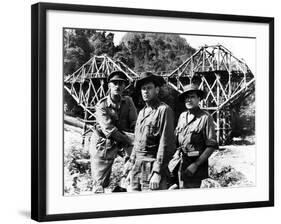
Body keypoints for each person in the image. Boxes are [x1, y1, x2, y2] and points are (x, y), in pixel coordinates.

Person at [126, 72, 176, 191]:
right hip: (137, 166)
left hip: (152, 165)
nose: (145, 91)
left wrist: (157, 172)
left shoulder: (164, 110)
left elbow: (166, 143)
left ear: (157, 90)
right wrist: (130, 164)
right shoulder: (142, 112)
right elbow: (137, 142)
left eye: (149, 88)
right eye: (143, 88)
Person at [90, 71, 137, 193]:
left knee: (134, 167)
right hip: (103, 142)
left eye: (121, 83)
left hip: (123, 139)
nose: (118, 86)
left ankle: (123, 187)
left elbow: (134, 122)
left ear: (124, 86)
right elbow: (109, 131)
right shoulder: (102, 105)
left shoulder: (129, 101)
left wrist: (136, 136)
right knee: (100, 183)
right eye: (114, 83)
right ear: (109, 86)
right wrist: (132, 140)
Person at [168, 83, 218, 189]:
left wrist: (196, 164)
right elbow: (178, 141)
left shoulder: (205, 117)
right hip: (181, 164)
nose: (189, 100)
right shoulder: (182, 116)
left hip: (197, 167)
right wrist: (176, 153)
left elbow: (211, 146)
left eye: (192, 97)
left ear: (199, 99)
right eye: (187, 97)